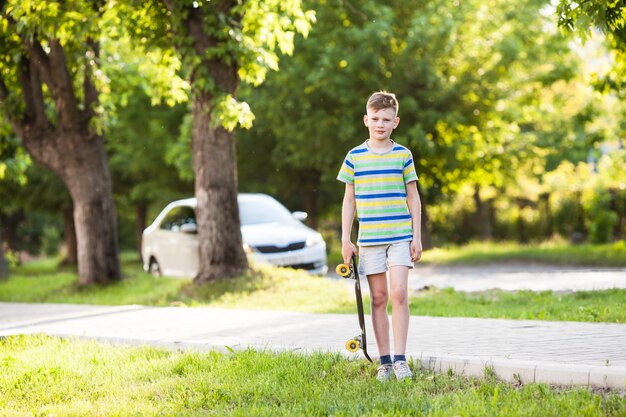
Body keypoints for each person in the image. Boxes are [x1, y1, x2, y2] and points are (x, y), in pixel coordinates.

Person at [337, 91, 422, 382]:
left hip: (400, 234)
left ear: (395, 122)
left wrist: (417, 237)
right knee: (378, 298)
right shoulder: (354, 157)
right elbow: (349, 201)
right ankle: (384, 362)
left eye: (386, 119)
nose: (380, 124)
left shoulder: (403, 155)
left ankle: (401, 359)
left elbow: (414, 197)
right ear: (366, 120)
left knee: (398, 293)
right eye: (374, 119)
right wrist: (345, 239)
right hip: (370, 239)